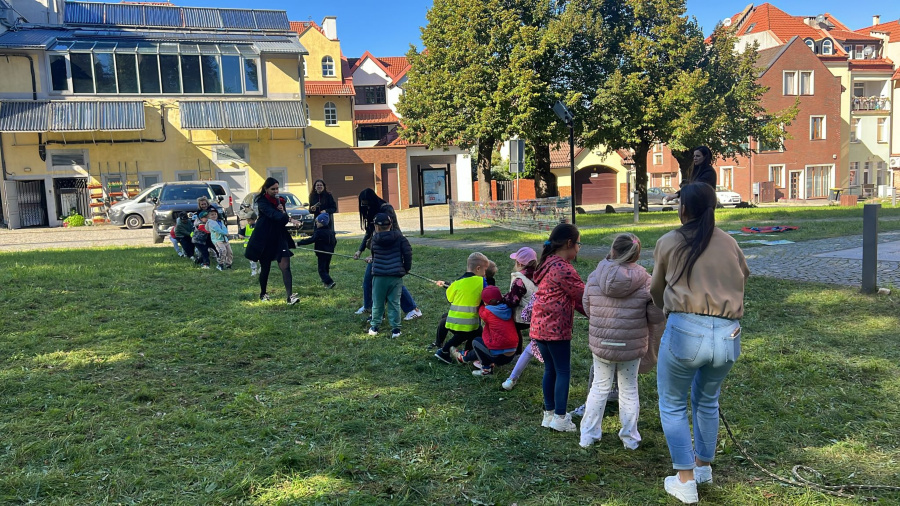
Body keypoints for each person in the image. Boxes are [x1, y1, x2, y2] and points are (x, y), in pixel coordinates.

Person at [651, 182, 750, 504]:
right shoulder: (729, 242)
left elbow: (656, 287)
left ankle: (685, 479)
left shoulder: (669, 242)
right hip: (728, 333)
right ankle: (703, 466)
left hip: (685, 329)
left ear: (683, 208)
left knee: (673, 403)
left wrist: (666, 308)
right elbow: (743, 277)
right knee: (708, 401)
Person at [579, 233, 665, 450]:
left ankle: (588, 435)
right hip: (631, 346)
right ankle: (630, 438)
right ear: (636, 255)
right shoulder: (647, 280)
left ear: (613, 250)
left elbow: (588, 307)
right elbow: (655, 316)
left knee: (599, 387)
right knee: (628, 389)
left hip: (602, 344)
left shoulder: (594, 276)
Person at [530, 223, 586, 432]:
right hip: (556, 328)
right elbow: (583, 295)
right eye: (578, 244)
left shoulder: (546, 263)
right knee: (563, 370)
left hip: (539, 327)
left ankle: (549, 414)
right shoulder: (563, 268)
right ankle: (561, 419)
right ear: (569, 243)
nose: (579, 248)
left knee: (550, 369)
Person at [353, 188, 422, 320]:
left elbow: (391, 232)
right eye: (363, 203)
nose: (364, 206)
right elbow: (369, 232)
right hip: (379, 249)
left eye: (366, 203)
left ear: (372, 200)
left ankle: (413, 309)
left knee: (392, 282)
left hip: (391, 250)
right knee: (369, 279)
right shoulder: (372, 211)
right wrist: (360, 250)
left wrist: (374, 255)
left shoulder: (386, 209)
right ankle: (369, 307)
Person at [245, 177, 303, 305]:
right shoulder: (262, 202)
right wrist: (283, 215)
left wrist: (287, 215)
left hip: (279, 236)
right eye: (273, 189)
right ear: (266, 189)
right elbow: (274, 216)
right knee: (265, 267)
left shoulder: (281, 201)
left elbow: (283, 218)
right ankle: (263, 293)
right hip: (265, 238)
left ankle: (290, 297)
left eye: (277, 188)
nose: (276, 191)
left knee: (285, 266)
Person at [432, 252, 490, 364]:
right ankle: (444, 352)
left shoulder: (457, 282)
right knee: (469, 332)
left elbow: (449, 298)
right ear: (478, 269)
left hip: (451, 321)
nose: (485, 273)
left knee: (477, 332)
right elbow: (486, 296)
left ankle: (467, 351)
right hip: (468, 323)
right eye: (485, 270)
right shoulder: (481, 281)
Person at [452, 285, 519, 376]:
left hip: (498, 356)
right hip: (511, 353)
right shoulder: (507, 308)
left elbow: (480, 311)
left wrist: (480, 304)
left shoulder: (487, 311)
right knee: (486, 344)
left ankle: (486, 370)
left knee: (477, 342)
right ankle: (465, 357)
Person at [366, 213, 412, 339]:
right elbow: (407, 253)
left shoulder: (375, 239)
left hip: (379, 276)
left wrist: (372, 260)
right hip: (395, 276)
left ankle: (374, 326)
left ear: (376, 226)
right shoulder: (400, 238)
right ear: (390, 225)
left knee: (378, 302)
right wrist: (406, 268)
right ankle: (396, 329)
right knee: (394, 302)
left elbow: (374, 254)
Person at [501, 247, 539, 391]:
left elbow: (513, 301)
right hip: (535, 315)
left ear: (520, 263)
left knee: (514, 329)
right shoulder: (537, 275)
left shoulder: (520, 280)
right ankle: (518, 353)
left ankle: (516, 354)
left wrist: (503, 299)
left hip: (521, 316)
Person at [297, 213, 337, 288]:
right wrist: (331, 249)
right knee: (326, 268)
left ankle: (330, 282)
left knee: (321, 269)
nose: (316, 223)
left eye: (317, 222)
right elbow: (334, 242)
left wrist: (299, 243)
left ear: (322, 222)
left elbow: (311, 240)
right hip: (329, 253)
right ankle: (326, 283)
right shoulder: (331, 232)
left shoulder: (319, 232)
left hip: (321, 253)